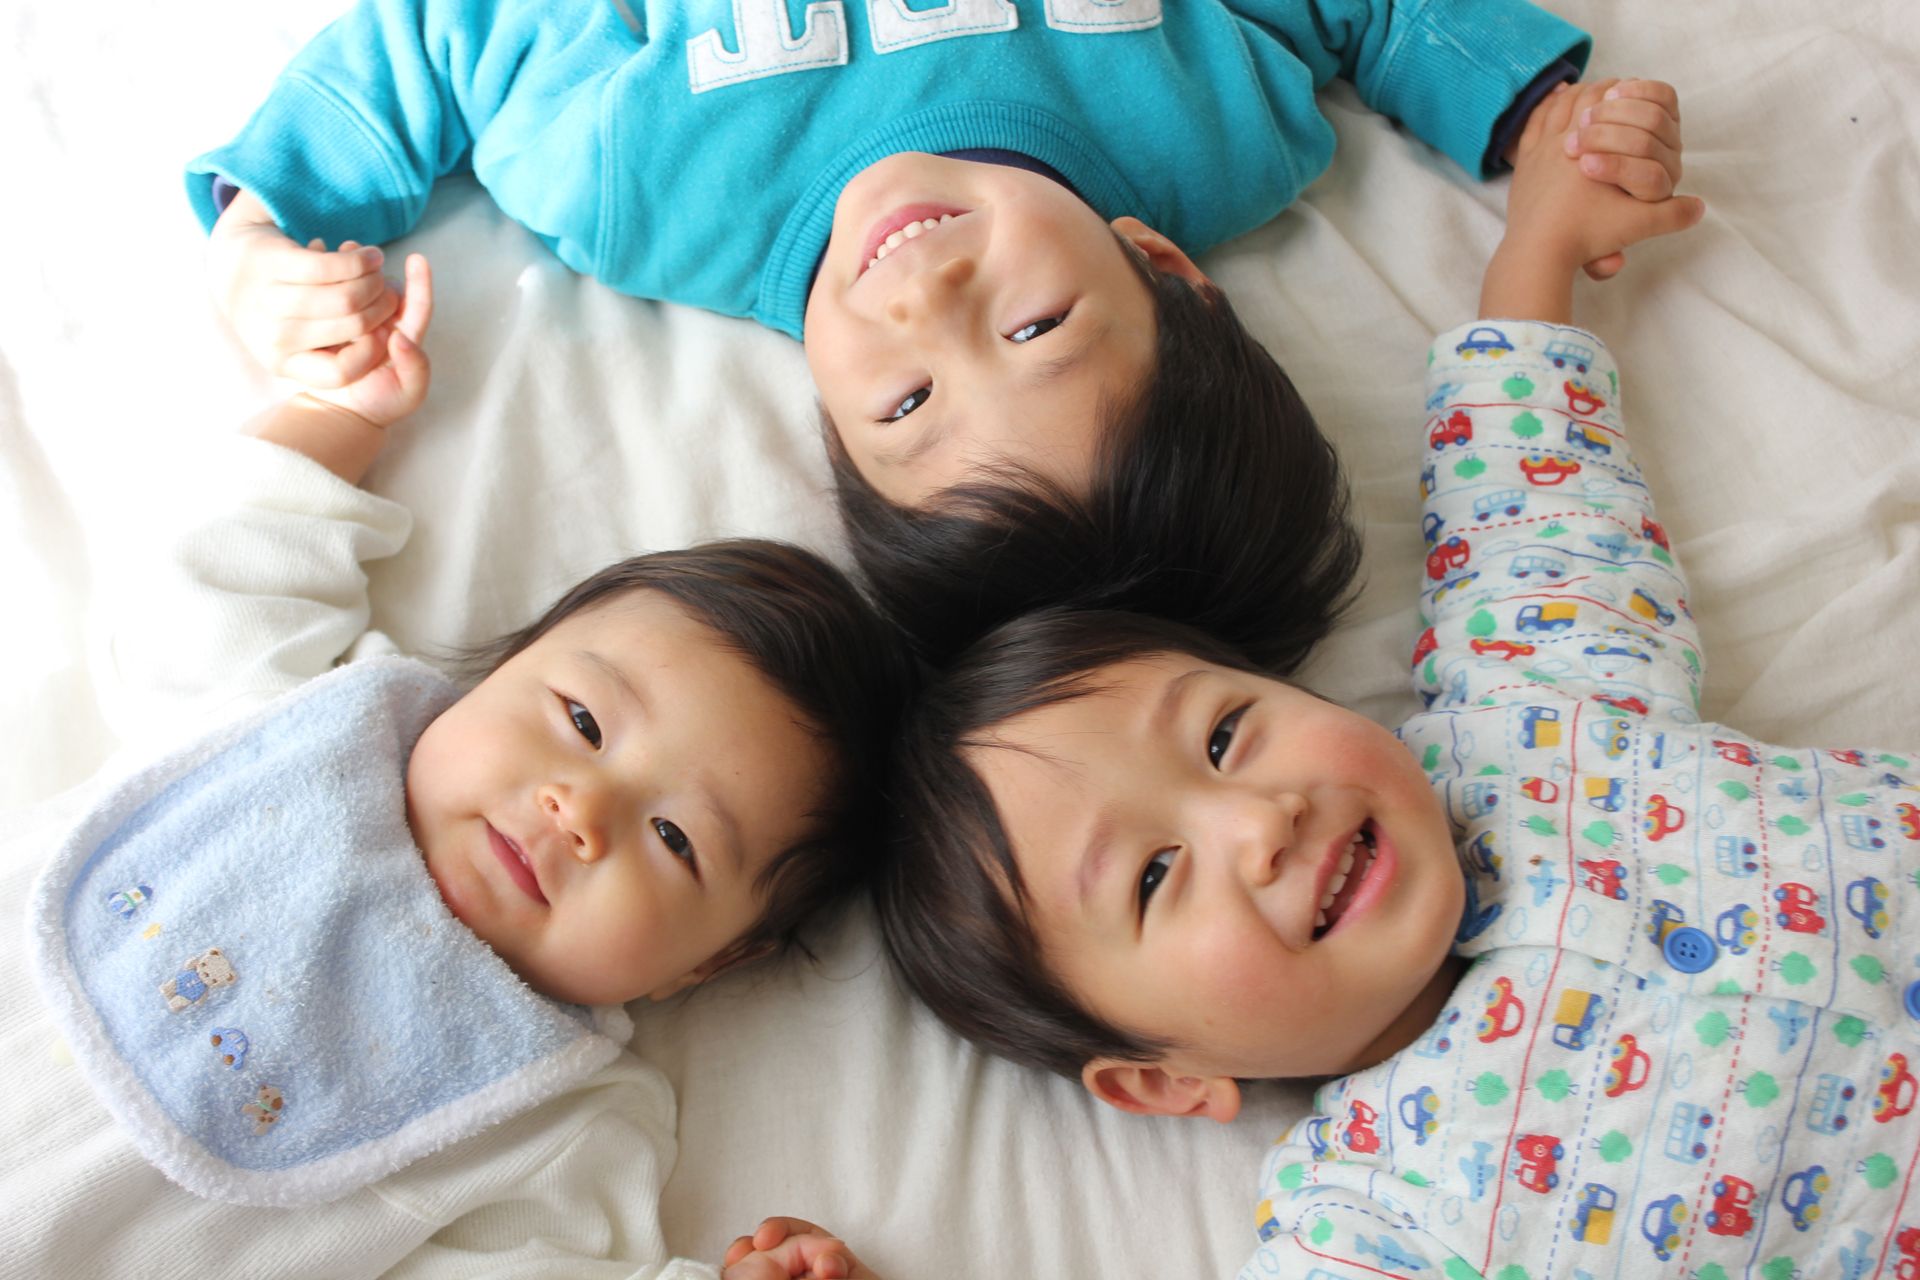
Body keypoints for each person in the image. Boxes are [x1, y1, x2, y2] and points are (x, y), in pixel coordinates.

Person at [838, 76, 1915, 1279]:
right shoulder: (1372, 1209)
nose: (1260, 822)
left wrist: (1541, 241)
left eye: (1226, 735)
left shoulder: (1527, 717)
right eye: (1152, 875)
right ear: (1163, 1076)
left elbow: (1526, 497)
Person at [186, 1, 1676, 672]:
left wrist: (266, 231)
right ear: (1162, 268)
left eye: (902, 403)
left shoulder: (645, 187)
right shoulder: (1216, 123)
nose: (923, 301)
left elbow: (436, 40)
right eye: (1034, 323)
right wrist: (1527, 108)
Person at [19, 255, 912, 1277]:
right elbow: (213, 577)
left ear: (704, 964)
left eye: (675, 838)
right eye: (582, 718)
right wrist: (339, 415)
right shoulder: (293, 726)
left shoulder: (546, 1115)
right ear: (497, 673)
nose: (579, 808)